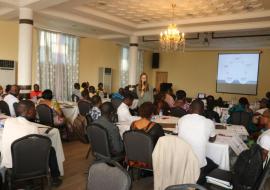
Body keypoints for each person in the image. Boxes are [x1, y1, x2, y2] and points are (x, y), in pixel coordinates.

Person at [1, 100, 62, 186]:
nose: (36, 112)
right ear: (29, 112)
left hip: (9, 163)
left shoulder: (8, 121)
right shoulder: (32, 128)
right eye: (34, 110)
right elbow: (37, 146)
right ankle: (55, 177)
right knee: (50, 149)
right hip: (24, 166)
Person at [177, 99, 217, 184]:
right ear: (203, 110)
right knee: (214, 164)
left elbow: (177, 133)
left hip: (181, 161)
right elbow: (213, 139)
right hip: (198, 165)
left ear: (190, 109)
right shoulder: (209, 122)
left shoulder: (182, 119)